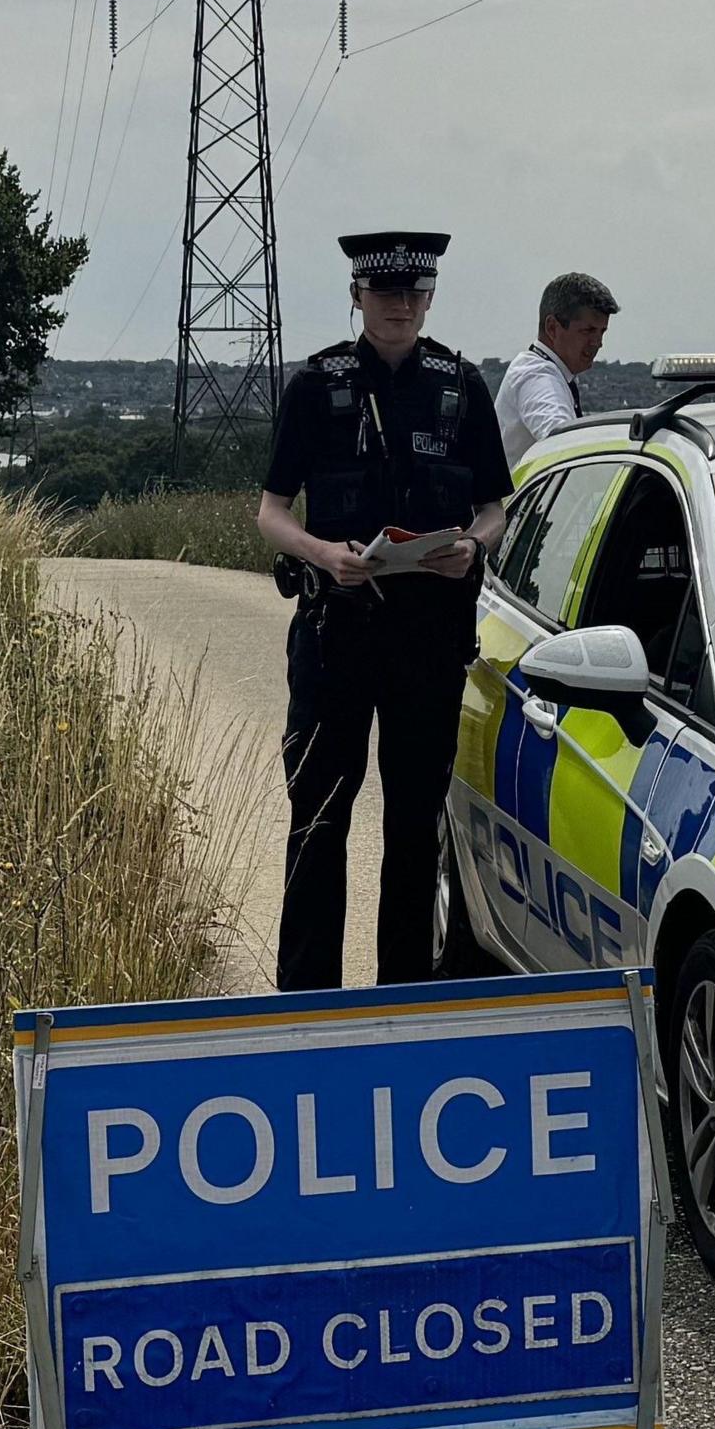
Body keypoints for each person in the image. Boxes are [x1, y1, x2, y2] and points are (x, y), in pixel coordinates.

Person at [256, 231, 510, 992]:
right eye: (383, 293)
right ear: (357, 297)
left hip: (427, 638)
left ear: (428, 298)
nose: (398, 306)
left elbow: (493, 508)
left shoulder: (460, 386)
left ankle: (404, 999)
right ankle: (305, 1002)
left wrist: (470, 545)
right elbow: (270, 511)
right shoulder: (315, 385)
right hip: (337, 632)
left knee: (412, 827)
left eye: (411, 293)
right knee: (320, 817)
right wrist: (320, 553)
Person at [496, 271, 620, 466]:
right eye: (588, 331)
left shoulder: (548, 372)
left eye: (602, 332)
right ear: (552, 328)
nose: (597, 343)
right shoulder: (535, 375)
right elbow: (562, 441)